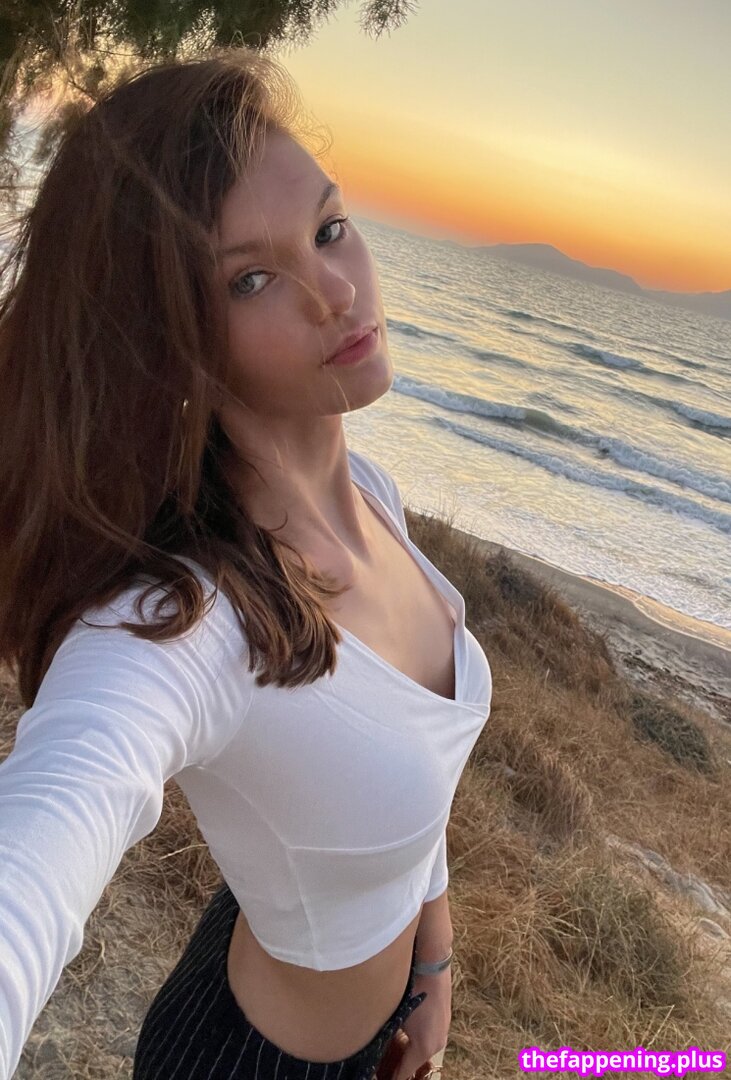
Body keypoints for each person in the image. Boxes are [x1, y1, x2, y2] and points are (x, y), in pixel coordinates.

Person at [0, 48, 492, 1080]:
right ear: (168, 337)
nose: (335, 291)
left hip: (349, 1005)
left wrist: (432, 965)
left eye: (329, 228)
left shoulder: (375, 498)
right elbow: (43, 840)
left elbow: (413, 774)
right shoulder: (183, 620)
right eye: (252, 278)